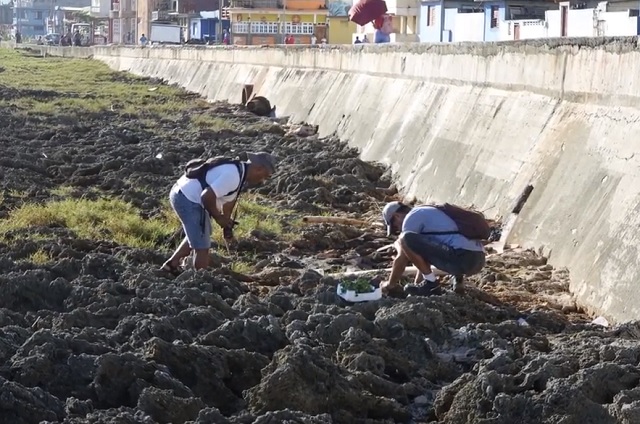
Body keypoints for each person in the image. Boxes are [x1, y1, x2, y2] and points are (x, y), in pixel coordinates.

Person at [161, 152, 277, 274]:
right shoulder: (233, 176)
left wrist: (226, 225)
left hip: (185, 193)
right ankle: (200, 280)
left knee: (201, 234)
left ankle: (171, 265)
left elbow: (228, 202)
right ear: (259, 169)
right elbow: (206, 197)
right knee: (202, 247)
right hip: (186, 198)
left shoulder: (239, 171)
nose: (263, 181)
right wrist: (218, 217)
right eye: (266, 176)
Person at [380, 201, 486, 296]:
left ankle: (432, 284)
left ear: (397, 216)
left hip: (463, 257)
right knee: (447, 241)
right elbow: (426, 255)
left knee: (405, 239)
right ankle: (457, 281)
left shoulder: (412, 218)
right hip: (478, 259)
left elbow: (402, 258)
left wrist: (390, 285)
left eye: (395, 227)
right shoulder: (427, 212)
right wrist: (418, 285)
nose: (398, 230)